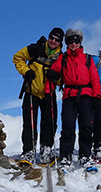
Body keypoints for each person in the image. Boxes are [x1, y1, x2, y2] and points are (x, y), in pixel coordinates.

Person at [49, 28, 101, 169]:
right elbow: (54, 71)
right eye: (71, 41)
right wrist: (51, 76)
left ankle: (85, 156)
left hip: (86, 95)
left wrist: (96, 96)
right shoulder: (63, 58)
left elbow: (95, 79)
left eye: (76, 41)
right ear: (67, 43)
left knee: (86, 126)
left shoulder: (87, 59)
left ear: (80, 42)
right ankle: (65, 156)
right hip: (69, 95)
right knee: (68, 126)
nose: (73, 44)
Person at [12, 27, 64, 164]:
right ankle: (29, 152)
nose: (53, 41)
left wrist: (57, 77)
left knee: (50, 124)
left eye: (57, 39)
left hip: (49, 93)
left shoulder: (61, 57)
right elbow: (17, 57)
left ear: (61, 42)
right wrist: (26, 71)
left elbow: (63, 78)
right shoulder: (35, 48)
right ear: (48, 37)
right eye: (51, 37)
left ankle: (45, 151)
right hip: (31, 92)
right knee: (30, 123)